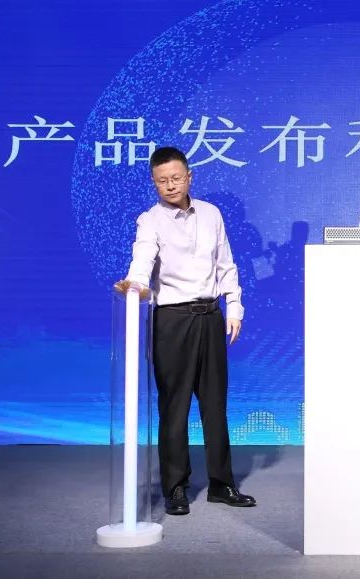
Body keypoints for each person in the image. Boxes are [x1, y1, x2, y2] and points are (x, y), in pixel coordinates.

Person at [116, 146, 256, 515]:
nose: (170, 185)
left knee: (215, 404)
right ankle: (175, 487)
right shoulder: (150, 220)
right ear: (154, 183)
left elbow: (226, 265)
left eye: (176, 178)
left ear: (190, 177)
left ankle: (222, 484)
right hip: (172, 320)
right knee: (174, 406)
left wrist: (234, 308)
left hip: (210, 316)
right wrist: (134, 285)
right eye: (162, 181)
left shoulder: (211, 214)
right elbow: (142, 258)